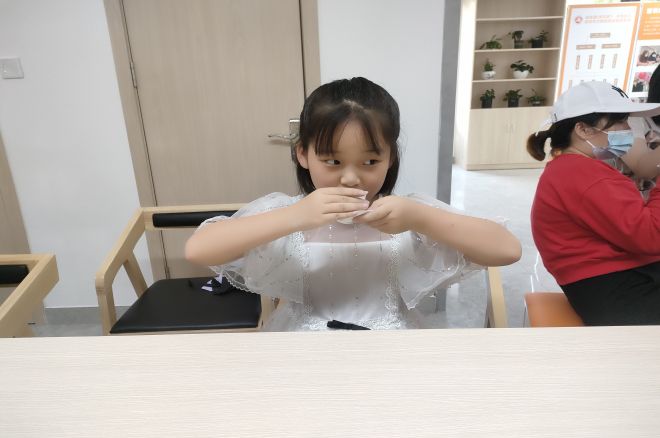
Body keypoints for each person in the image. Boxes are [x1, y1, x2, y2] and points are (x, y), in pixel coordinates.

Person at [186, 77, 521, 331]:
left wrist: (420, 217)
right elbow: (199, 250)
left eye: (370, 162)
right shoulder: (289, 211)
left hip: (390, 348)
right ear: (302, 154)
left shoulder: (406, 215)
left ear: (390, 158)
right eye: (332, 161)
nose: (350, 178)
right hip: (304, 347)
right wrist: (295, 216)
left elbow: (507, 250)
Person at [527, 81, 660, 325]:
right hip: (617, 290)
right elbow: (651, 236)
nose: (628, 129)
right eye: (620, 122)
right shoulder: (587, 176)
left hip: (602, 282)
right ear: (583, 129)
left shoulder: (569, 168)